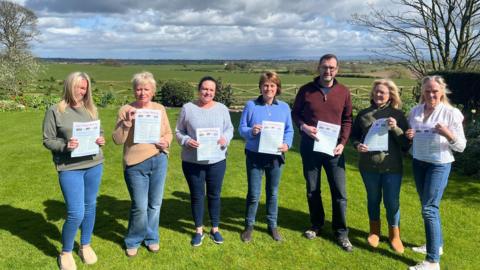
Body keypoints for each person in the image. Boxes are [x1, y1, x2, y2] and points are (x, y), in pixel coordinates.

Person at [43, 72, 105, 270]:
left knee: (90, 206)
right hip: (70, 168)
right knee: (75, 213)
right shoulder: (55, 111)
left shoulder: (91, 109)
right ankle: (66, 251)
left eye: (85, 88)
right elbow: (48, 140)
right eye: (78, 87)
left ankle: (85, 245)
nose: (82, 91)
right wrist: (65, 146)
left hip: (94, 164)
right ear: (69, 86)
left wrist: (100, 139)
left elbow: (99, 132)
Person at [291, 53, 353, 252]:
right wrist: (304, 127)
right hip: (310, 147)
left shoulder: (343, 91)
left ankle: (341, 232)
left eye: (332, 68)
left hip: (334, 149)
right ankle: (316, 225)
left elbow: (347, 119)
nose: (328, 71)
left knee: (339, 192)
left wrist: (343, 142)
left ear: (337, 69)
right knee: (312, 189)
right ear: (318, 68)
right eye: (325, 67)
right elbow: (295, 113)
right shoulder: (306, 90)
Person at [406, 76, 466, 270]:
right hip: (418, 162)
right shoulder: (415, 111)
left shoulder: (451, 113)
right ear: (422, 92)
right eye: (427, 91)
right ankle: (436, 246)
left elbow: (461, 147)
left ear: (442, 92)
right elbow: (412, 136)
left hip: (439, 164)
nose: (431, 94)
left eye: (435, 91)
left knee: (429, 209)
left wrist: (448, 133)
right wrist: (409, 135)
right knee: (428, 206)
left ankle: (432, 262)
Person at [112, 72, 172, 257]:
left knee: (155, 204)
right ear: (134, 90)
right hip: (135, 164)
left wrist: (166, 142)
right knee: (139, 205)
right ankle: (133, 240)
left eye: (146, 89)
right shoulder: (125, 109)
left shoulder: (159, 109)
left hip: (159, 160)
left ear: (153, 91)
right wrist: (127, 123)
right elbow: (117, 139)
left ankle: (152, 237)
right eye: (139, 88)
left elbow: (168, 133)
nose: (142, 92)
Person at [350, 79, 410, 253]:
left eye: (382, 92)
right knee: (373, 200)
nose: (378, 95)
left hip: (392, 168)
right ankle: (374, 231)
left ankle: (394, 235)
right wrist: (357, 146)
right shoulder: (363, 114)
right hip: (369, 167)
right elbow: (354, 137)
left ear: (390, 95)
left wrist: (396, 128)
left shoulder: (398, 115)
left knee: (392, 202)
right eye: (376, 92)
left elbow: (406, 143)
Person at [175, 76, 234, 246]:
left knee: (215, 195)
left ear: (215, 92)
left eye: (211, 90)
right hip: (193, 162)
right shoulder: (188, 108)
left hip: (217, 160)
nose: (207, 92)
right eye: (204, 89)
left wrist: (226, 138)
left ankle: (215, 229)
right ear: (199, 89)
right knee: (197, 196)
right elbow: (178, 131)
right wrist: (186, 140)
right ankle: (199, 230)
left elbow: (229, 128)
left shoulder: (222, 109)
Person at [238, 71, 294, 242]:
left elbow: (289, 130)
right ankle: (249, 226)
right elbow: (241, 128)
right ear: (260, 87)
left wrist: (287, 144)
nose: (268, 88)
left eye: (272, 85)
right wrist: (251, 131)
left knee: (273, 193)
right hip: (255, 155)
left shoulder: (284, 107)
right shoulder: (251, 105)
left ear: (277, 88)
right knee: (254, 194)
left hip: (276, 157)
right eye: (265, 85)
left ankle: (272, 225)